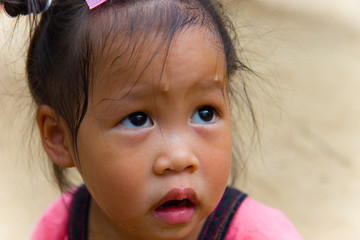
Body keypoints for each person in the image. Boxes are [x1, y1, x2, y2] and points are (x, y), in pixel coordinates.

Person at [1, 0, 303, 239]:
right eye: (137, 119)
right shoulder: (64, 226)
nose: (180, 157)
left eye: (205, 113)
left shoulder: (260, 234)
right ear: (59, 136)